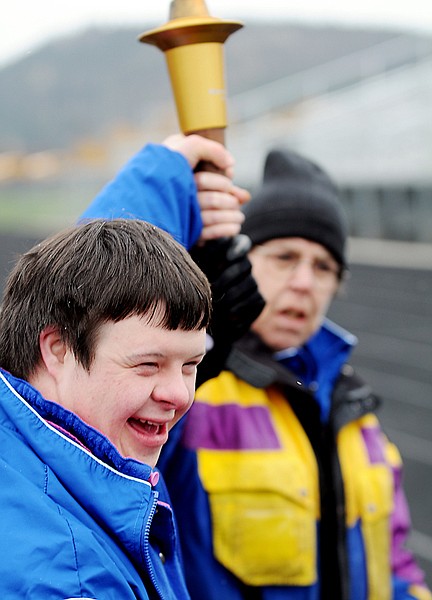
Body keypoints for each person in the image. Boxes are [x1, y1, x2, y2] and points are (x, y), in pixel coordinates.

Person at [157, 149, 432, 600]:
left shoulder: (356, 411)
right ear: (244, 263)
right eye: (285, 257)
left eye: (323, 266)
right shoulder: (192, 392)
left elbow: (394, 561)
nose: (304, 281)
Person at [0, 135, 256, 599]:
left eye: (191, 364)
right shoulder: (70, 583)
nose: (179, 395)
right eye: (148, 365)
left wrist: (169, 176)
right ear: (57, 349)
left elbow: (95, 276)